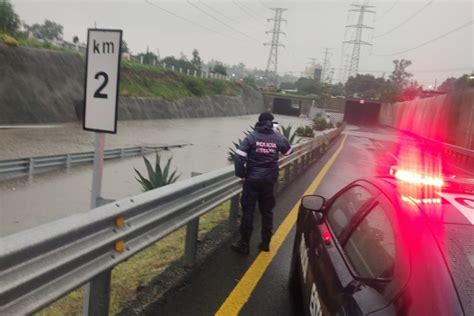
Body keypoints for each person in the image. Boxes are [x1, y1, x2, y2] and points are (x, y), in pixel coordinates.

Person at [231, 112, 293, 254]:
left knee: (248, 211)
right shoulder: (278, 137)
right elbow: (289, 151)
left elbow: (239, 157)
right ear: (272, 123)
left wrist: (242, 175)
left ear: (259, 122)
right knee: (267, 211)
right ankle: (265, 243)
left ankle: (244, 245)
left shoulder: (251, 137)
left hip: (252, 180)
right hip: (269, 181)